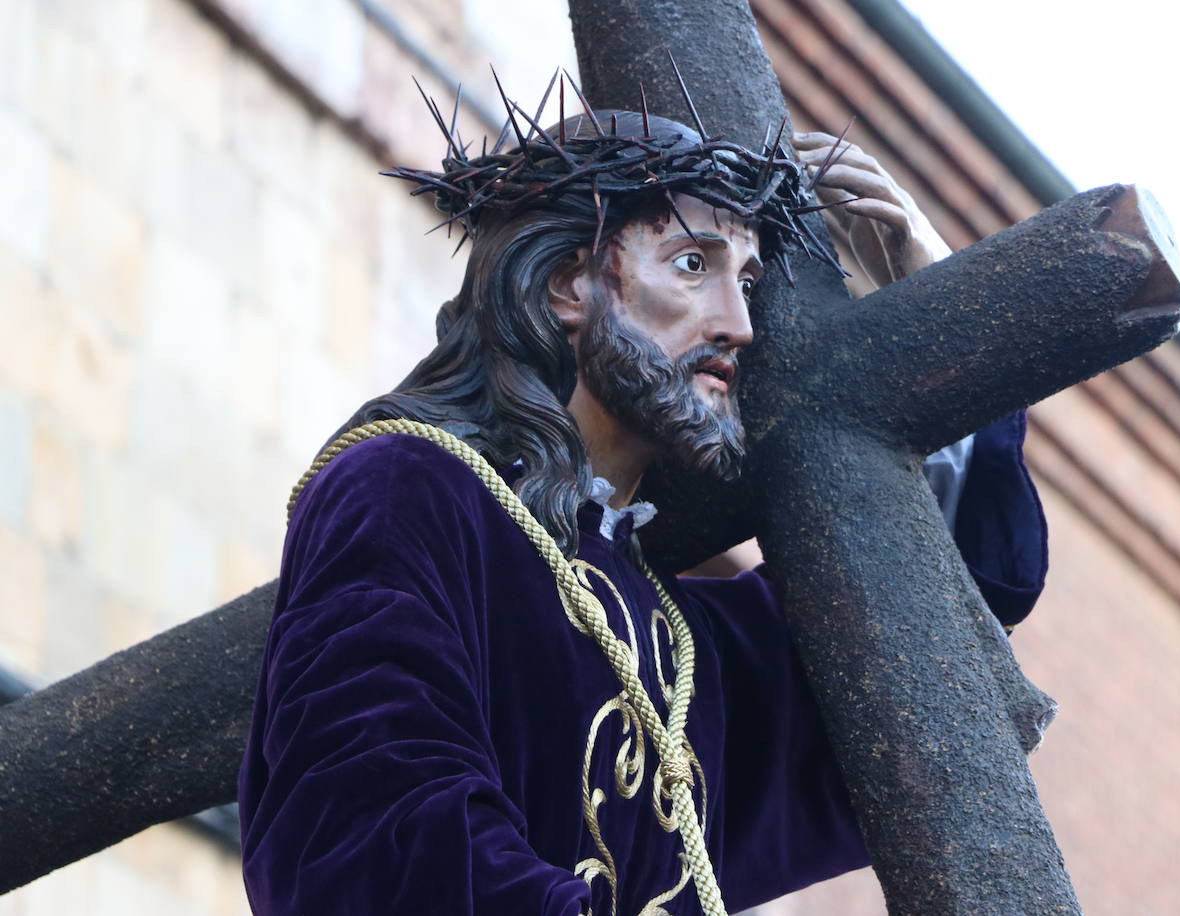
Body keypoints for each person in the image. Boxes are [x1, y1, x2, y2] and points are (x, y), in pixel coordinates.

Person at [238, 99, 1046, 916]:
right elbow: (374, 823)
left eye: (749, 280)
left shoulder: (677, 641)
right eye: (694, 265)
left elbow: (915, 645)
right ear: (567, 284)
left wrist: (941, 316)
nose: (739, 325)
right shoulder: (410, 488)